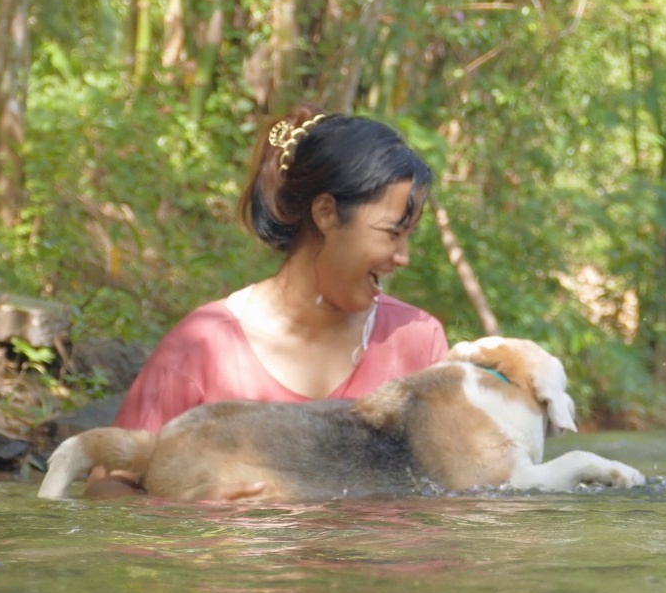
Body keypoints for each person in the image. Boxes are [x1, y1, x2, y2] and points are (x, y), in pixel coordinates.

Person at [88, 105, 448, 496]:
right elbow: (105, 492)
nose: (403, 257)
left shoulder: (417, 345)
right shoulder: (204, 348)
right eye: (392, 233)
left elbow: (456, 495)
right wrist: (188, 519)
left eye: (409, 235)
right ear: (326, 212)